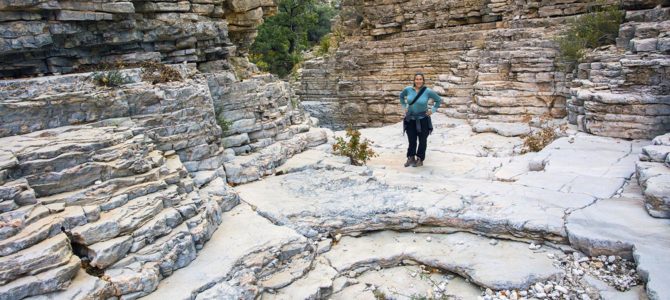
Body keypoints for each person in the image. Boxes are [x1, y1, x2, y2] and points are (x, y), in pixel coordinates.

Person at [399, 72, 442, 167]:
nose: (418, 81)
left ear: (423, 80)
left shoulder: (427, 91)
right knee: (411, 139)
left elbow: (438, 100)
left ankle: (420, 158)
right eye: (417, 79)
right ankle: (411, 157)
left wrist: (432, 110)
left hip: (423, 119)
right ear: (414, 80)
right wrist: (404, 106)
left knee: (422, 140)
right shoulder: (408, 89)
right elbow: (401, 97)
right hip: (410, 119)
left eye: (420, 79)